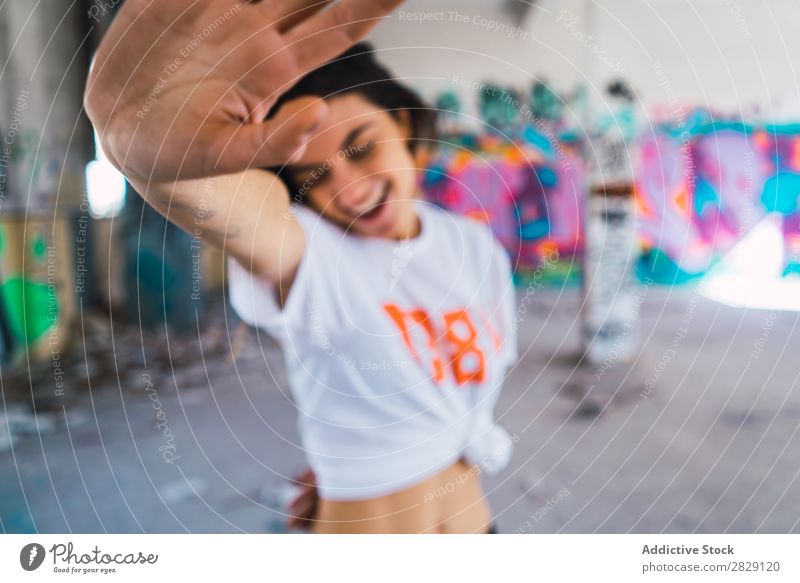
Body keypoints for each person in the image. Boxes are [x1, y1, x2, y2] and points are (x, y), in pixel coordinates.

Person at [85, 0, 518, 534]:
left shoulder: (471, 247)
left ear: (403, 123)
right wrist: (147, 140)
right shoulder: (315, 255)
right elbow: (236, 210)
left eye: (361, 149)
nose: (350, 190)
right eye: (313, 176)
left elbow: (458, 390)